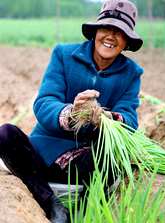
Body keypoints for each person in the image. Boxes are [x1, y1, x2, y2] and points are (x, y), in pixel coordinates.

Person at [0, 0, 143, 222]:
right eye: (106, 28)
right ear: (96, 32)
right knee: (5, 134)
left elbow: (130, 118)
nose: (110, 36)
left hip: (85, 164)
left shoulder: (131, 73)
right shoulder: (65, 55)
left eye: (119, 32)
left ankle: (84, 211)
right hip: (43, 156)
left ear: (126, 42)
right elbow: (45, 101)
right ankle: (50, 203)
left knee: (117, 155)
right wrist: (71, 113)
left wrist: (107, 118)